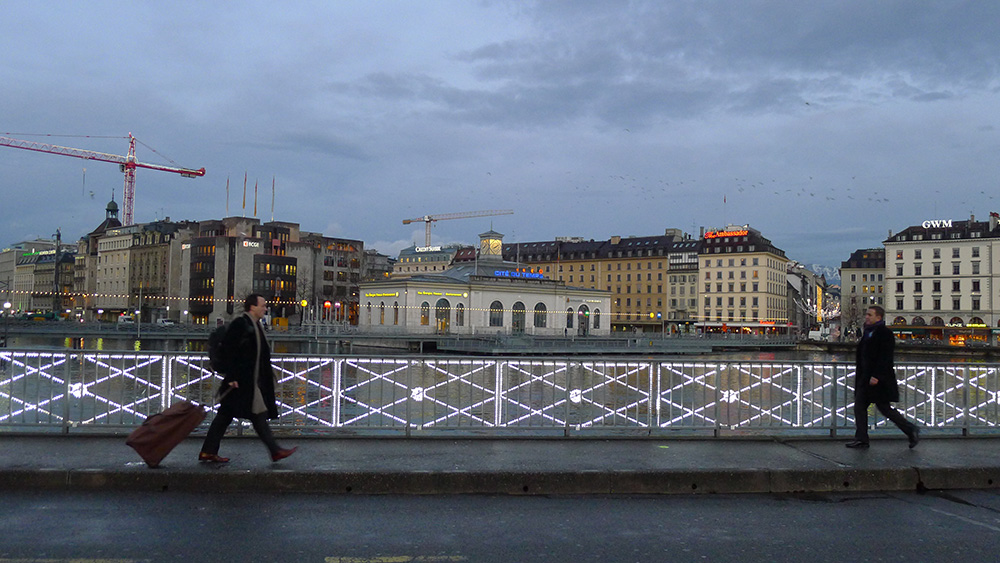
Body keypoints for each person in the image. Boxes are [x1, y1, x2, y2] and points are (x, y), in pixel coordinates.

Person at [199, 294, 297, 463]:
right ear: (252, 307)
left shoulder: (254, 325)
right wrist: (231, 376)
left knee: (227, 416)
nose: (265, 308)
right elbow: (229, 351)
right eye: (263, 305)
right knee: (254, 415)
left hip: (247, 381)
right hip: (240, 382)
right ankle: (275, 451)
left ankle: (208, 451)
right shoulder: (241, 324)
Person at [846, 305, 920, 449]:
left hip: (878, 380)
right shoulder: (868, 332)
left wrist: (876, 376)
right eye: (867, 314)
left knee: (885, 409)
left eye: (870, 315)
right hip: (866, 378)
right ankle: (862, 438)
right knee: (860, 407)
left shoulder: (884, 333)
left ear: (878, 317)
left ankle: (910, 429)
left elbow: (885, 357)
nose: (866, 317)